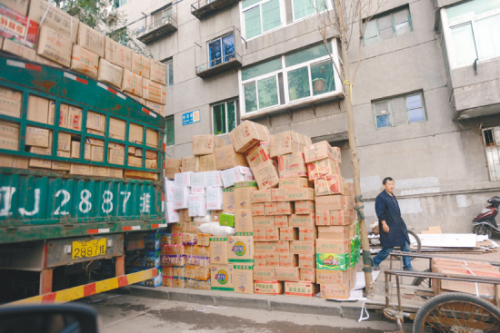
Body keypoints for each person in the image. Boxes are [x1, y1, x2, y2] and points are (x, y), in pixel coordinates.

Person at [372, 177, 413, 271]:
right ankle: (375, 261)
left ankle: (407, 266)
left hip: (398, 225)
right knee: (388, 248)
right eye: (389, 184)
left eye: (392, 184)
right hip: (389, 225)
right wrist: (384, 224)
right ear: (384, 186)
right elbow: (380, 212)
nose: (391, 186)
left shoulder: (392, 196)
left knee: (406, 245)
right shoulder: (381, 197)